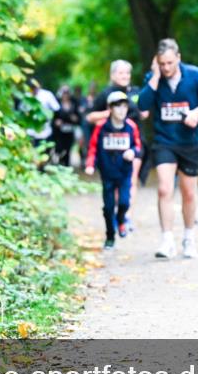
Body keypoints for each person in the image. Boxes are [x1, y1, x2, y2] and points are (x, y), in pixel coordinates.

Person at [137, 38, 198, 259]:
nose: (166, 68)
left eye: (170, 63)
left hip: (189, 142)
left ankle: (189, 238)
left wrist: (197, 113)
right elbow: (142, 106)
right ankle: (166, 240)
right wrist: (154, 77)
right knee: (165, 188)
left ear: (178, 59)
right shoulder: (154, 78)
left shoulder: (194, 75)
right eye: (162, 64)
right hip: (164, 141)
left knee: (189, 193)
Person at [89, 60, 149, 228]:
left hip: (134, 141)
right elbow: (90, 117)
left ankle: (125, 217)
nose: (125, 76)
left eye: (127, 73)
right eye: (121, 73)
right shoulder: (106, 94)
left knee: (131, 180)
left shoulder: (136, 92)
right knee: (115, 182)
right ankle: (115, 215)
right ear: (113, 75)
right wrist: (109, 113)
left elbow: (145, 113)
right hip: (111, 144)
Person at [84, 91, 143, 250]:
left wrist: (133, 152)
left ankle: (121, 220)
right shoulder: (101, 127)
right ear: (110, 108)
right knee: (108, 206)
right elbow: (93, 147)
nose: (122, 110)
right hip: (107, 173)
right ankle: (110, 235)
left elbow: (138, 146)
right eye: (118, 107)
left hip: (124, 172)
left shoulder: (131, 126)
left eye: (124, 106)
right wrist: (90, 164)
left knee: (124, 202)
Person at [52, 85, 81, 168]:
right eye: (64, 93)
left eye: (67, 93)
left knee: (68, 149)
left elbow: (78, 117)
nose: (65, 95)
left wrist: (75, 118)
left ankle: (66, 166)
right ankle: (59, 164)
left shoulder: (74, 103)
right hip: (59, 131)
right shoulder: (57, 103)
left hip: (70, 130)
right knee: (59, 148)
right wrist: (56, 122)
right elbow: (53, 117)